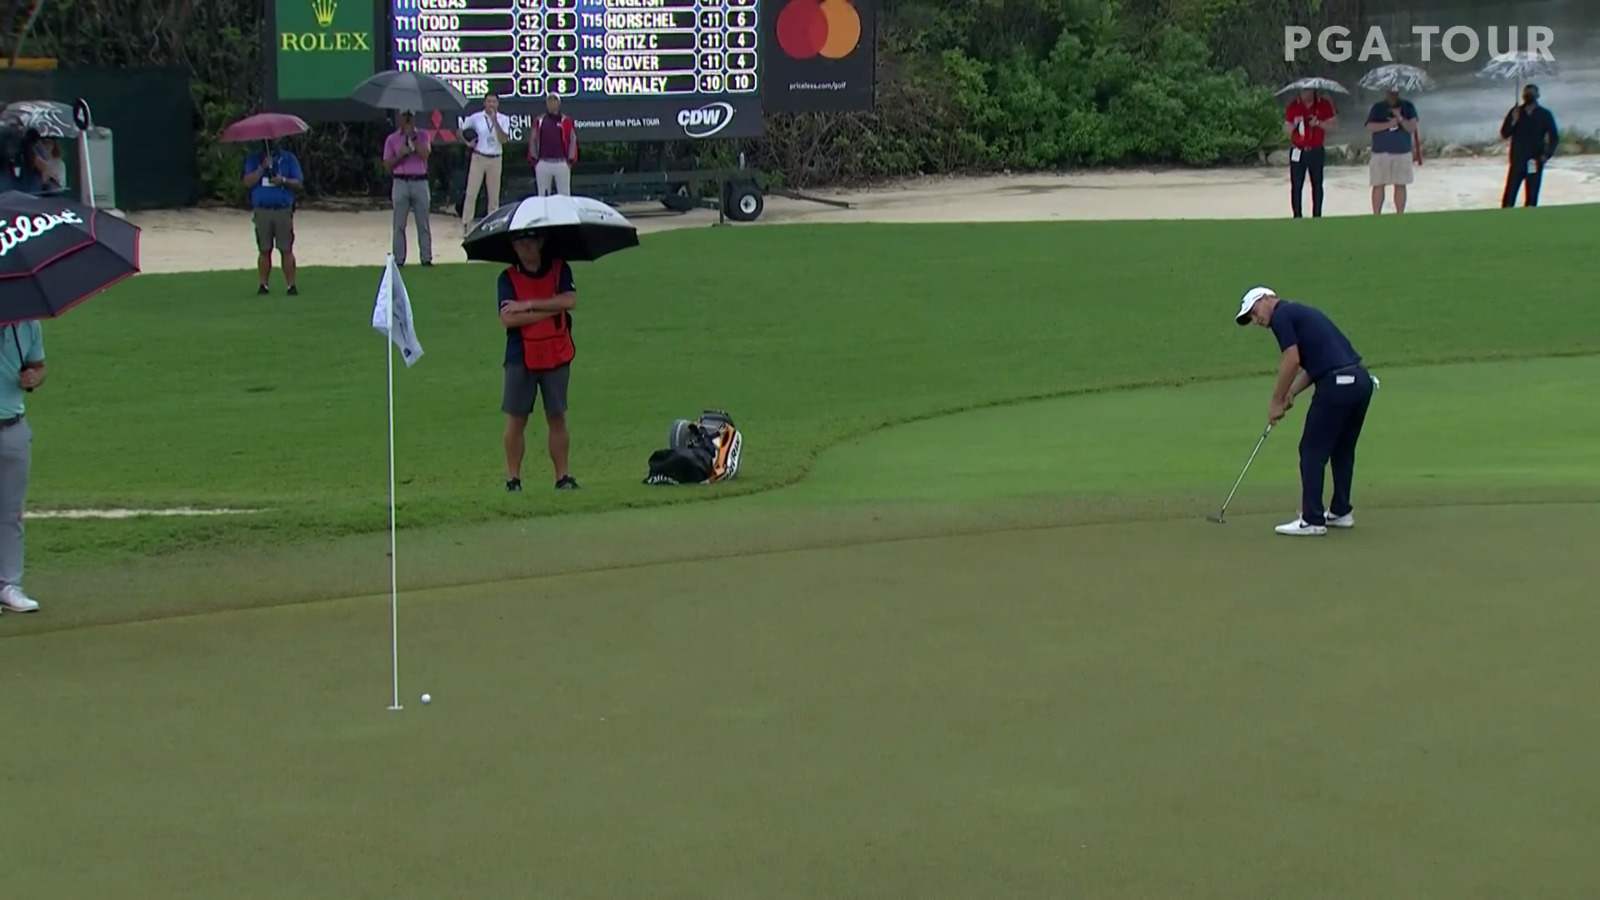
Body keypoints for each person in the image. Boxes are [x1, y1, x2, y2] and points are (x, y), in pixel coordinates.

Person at [1234, 286, 1376, 537]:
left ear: (1267, 299)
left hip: (1336, 385)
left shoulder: (1281, 315)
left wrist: (1276, 400)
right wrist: (1291, 393)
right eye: (1251, 318)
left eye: (1254, 312)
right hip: (1360, 382)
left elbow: (1292, 359)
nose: (1256, 320)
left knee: (1311, 450)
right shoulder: (1300, 313)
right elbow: (1315, 365)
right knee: (1342, 450)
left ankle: (1312, 519)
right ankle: (1341, 512)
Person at [497, 232, 580, 491]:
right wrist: (550, 310)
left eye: (530, 240)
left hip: (556, 351)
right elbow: (508, 319)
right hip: (520, 354)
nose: (525, 246)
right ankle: (513, 479)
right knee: (516, 419)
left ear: (541, 242)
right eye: (519, 242)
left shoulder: (559, 269)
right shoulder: (507, 277)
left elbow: (570, 300)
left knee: (557, 416)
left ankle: (562, 476)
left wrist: (528, 305)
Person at [0, 320, 45, 614]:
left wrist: (34, 377)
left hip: (13, 426)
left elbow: (38, 365)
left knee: (11, 512)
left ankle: (9, 586)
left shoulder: (28, 325)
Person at [241, 140, 303, 295]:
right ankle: (263, 285)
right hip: (263, 210)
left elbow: (298, 183)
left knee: (286, 248)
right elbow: (247, 182)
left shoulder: (288, 158)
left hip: (282, 210)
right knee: (264, 249)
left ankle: (291, 285)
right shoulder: (253, 159)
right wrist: (262, 167)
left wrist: (283, 180)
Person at [383, 111, 433, 267]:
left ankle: (426, 258)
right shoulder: (392, 139)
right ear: (400, 118)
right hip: (401, 182)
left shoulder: (423, 135)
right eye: (405, 116)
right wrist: (400, 155)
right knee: (399, 224)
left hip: (420, 181)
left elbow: (425, 155)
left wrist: (414, 140)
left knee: (423, 223)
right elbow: (387, 165)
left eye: (410, 116)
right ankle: (399, 259)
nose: (407, 119)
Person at [1500, 84, 1559, 208]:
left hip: (1534, 160)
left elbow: (1554, 137)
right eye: (1526, 94)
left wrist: (1546, 155)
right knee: (1510, 195)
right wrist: (1513, 121)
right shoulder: (1516, 112)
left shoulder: (1544, 114)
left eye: (1531, 93)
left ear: (1538, 95)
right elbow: (1505, 133)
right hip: (1518, 159)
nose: (1529, 96)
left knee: (1532, 195)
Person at [461, 91, 512, 233]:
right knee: (471, 193)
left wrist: (495, 121)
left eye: (494, 102)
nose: (491, 104)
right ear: (484, 103)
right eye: (489, 101)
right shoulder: (476, 118)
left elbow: (503, 140)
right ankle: (466, 224)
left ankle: (492, 226)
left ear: (498, 104)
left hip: (495, 158)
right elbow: (461, 129)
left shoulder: (504, 119)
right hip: (479, 157)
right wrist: (467, 142)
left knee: (493, 196)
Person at [1365, 88, 1422, 215]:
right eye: (1390, 92)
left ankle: (1399, 214)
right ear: (1386, 92)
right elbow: (1370, 126)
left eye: (1395, 92)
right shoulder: (1378, 107)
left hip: (1402, 151)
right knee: (1378, 184)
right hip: (1381, 152)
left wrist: (1399, 117)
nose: (1393, 94)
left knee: (1400, 184)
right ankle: (1376, 215)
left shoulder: (1408, 106)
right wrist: (1389, 124)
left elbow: (1412, 127)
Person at [1284, 88, 1337, 218]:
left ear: (1313, 91)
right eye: (1302, 91)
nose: (1304, 94)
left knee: (1317, 184)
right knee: (1296, 185)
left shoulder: (1323, 104)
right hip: (1298, 150)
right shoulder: (1293, 106)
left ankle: (1317, 215)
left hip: (1316, 150)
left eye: (1307, 91)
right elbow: (1286, 128)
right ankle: (1297, 215)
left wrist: (1318, 123)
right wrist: (1295, 126)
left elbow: (1333, 126)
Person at [528, 93, 577, 197]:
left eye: (554, 101)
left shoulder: (566, 120)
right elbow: (533, 139)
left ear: (558, 103)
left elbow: (572, 139)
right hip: (543, 162)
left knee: (564, 195)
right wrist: (535, 160)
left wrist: (570, 160)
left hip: (561, 162)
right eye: (549, 101)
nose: (551, 103)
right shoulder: (539, 120)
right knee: (543, 196)